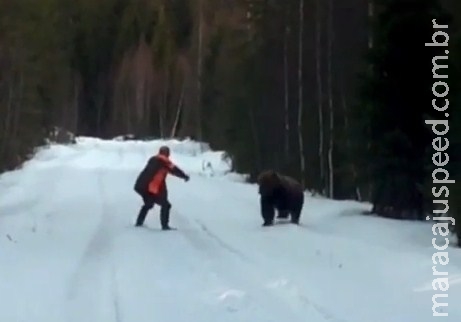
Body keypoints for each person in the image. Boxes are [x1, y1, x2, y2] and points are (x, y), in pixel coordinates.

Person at [133, 145, 189, 230]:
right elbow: (174, 170)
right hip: (151, 187)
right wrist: (184, 176)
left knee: (149, 204)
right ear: (167, 154)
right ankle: (165, 226)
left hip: (141, 186)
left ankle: (139, 222)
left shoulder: (153, 159)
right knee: (166, 205)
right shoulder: (164, 161)